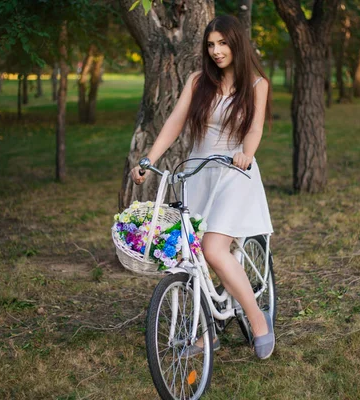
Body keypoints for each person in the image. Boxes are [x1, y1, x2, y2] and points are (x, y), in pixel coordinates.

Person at [130, 15, 275, 360]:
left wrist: (246, 154)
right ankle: (205, 332)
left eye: (223, 43)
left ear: (236, 44)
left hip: (234, 173)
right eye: (211, 44)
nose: (216, 51)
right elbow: (174, 123)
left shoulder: (256, 84)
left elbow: (254, 129)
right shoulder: (198, 81)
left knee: (212, 249)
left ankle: (259, 322)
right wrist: (148, 160)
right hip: (198, 173)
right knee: (188, 255)